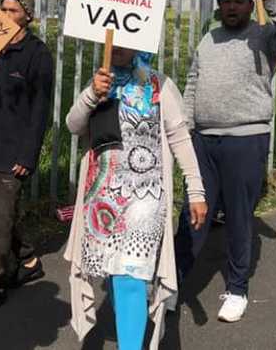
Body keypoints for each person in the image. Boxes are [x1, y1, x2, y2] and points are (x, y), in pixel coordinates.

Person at [174, 0, 276, 323]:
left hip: (246, 140)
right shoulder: (208, 39)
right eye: (226, 1)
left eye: (238, 1)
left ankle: (237, 289)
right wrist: (186, 126)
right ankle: (172, 283)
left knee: (239, 217)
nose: (230, 6)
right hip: (203, 140)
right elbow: (193, 82)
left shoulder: (264, 35)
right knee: (193, 214)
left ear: (249, 5)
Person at [64, 47, 208, 350]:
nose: (116, 46)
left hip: (146, 198)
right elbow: (73, 126)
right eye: (111, 40)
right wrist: (91, 94)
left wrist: (195, 190)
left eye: (125, 41)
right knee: (115, 274)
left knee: (130, 275)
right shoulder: (98, 82)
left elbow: (180, 137)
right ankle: (131, 326)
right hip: (102, 200)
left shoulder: (159, 85)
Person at [0, 0, 55, 314]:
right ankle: (28, 259)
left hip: (12, 152)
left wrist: (28, 155)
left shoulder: (37, 54)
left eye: (13, 11)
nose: (5, 15)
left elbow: (40, 109)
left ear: (27, 16)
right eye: (2, 9)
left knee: (0, 219)